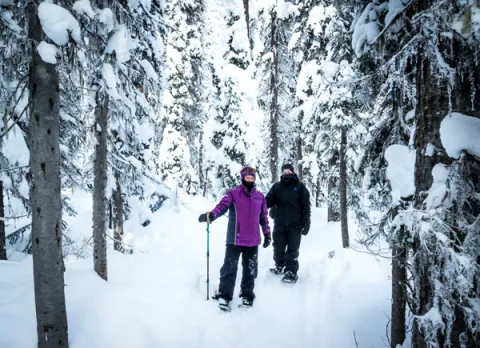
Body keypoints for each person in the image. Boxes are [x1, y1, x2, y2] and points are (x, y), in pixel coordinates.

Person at [198, 166, 271, 311]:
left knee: (250, 270)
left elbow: (264, 217)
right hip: (235, 239)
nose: (250, 179)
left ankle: (247, 295)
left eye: (252, 177)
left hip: (253, 240)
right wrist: (212, 215)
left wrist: (267, 233)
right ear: (243, 177)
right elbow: (222, 206)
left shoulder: (260, 197)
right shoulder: (233, 193)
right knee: (229, 268)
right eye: (247, 177)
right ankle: (224, 296)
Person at [266, 163, 311, 284]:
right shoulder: (276, 187)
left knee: (292, 249)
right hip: (279, 223)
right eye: (284, 172)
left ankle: (291, 271)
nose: (287, 174)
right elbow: (267, 201)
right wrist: (257, 205)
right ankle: (279, 265)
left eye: (289, 172)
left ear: (293, 172)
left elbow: (306, 205)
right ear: (282, 173)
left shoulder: (300, 187)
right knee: (278, 247)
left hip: (295, 224)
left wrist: (307, 222)